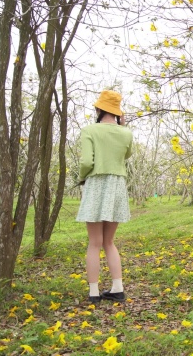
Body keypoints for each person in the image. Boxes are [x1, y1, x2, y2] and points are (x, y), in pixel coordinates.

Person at [76, 90, 133, 304]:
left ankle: (93, 292)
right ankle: (117, 288)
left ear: (99, 109)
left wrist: (82, 178)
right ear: (117, 111)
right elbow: (126, 155)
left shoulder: (89, 130)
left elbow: (86, 163)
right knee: (109, 241)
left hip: (97, 183)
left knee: (94, 242)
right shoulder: (126, 133)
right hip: (117, 185)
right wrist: (123, 127)